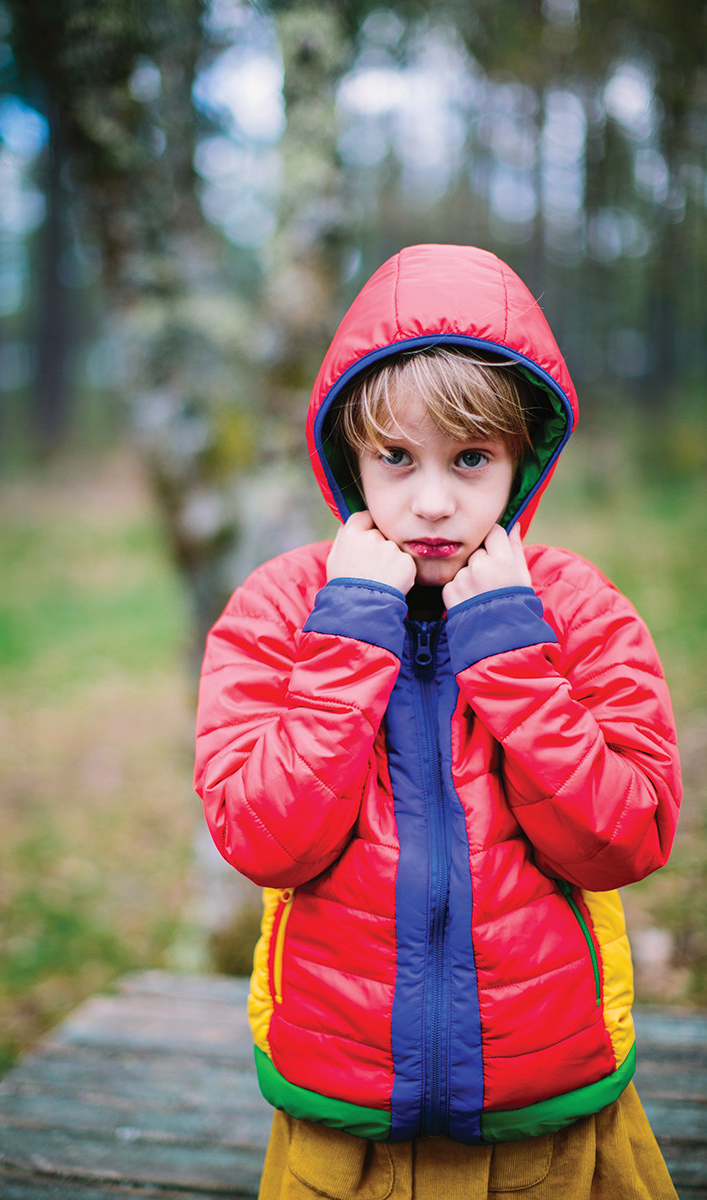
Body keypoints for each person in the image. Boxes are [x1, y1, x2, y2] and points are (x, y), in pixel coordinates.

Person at [193, 244, 682, 1198]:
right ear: (349, 455)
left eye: (469, 459)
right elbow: (262, 840)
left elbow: (628, 837)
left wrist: (509, 653)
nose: (430, 501)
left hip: (551, 1128)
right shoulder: (282, 609)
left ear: (522, 458)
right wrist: (350, 636)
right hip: (344, 1136)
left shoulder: (576, 610)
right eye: (396, 457)